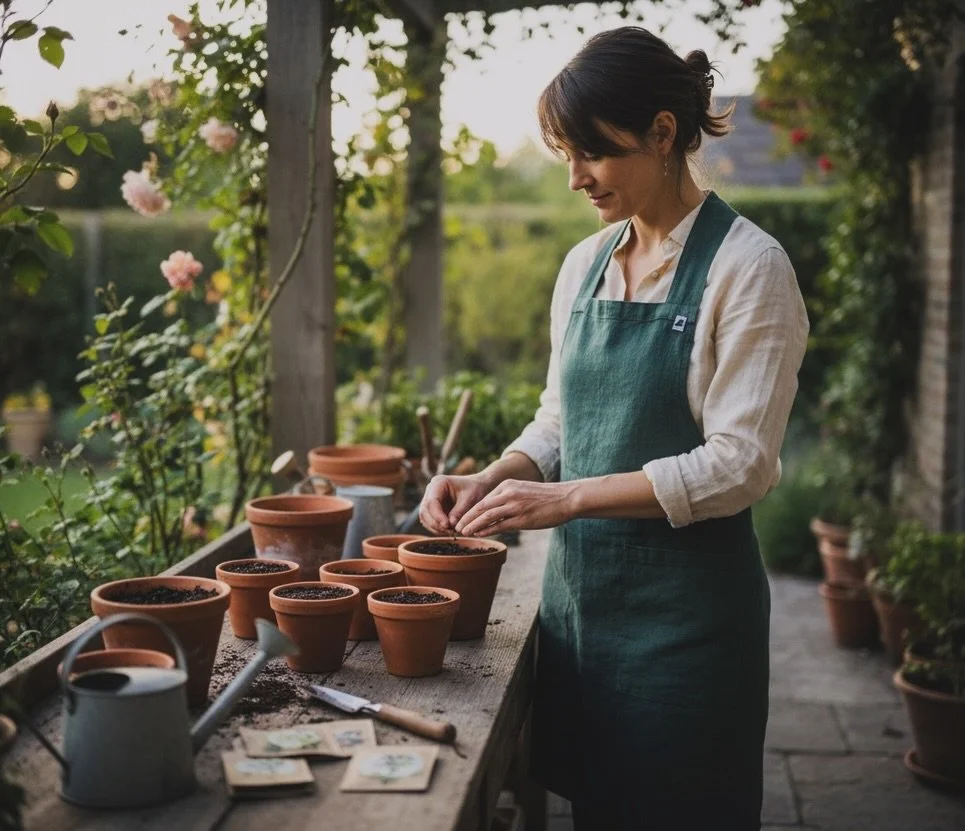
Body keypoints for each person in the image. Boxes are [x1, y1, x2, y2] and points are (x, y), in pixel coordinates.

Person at [419, 26, 808, 831]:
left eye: (591, 152)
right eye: (565, 154)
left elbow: (739, 464)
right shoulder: (583, 265)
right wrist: (494, 475)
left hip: (688, 629)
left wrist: (565, 499)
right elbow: (560, 418)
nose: (574, 178)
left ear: (662, 133)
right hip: (583, 617)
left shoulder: (749, 267)